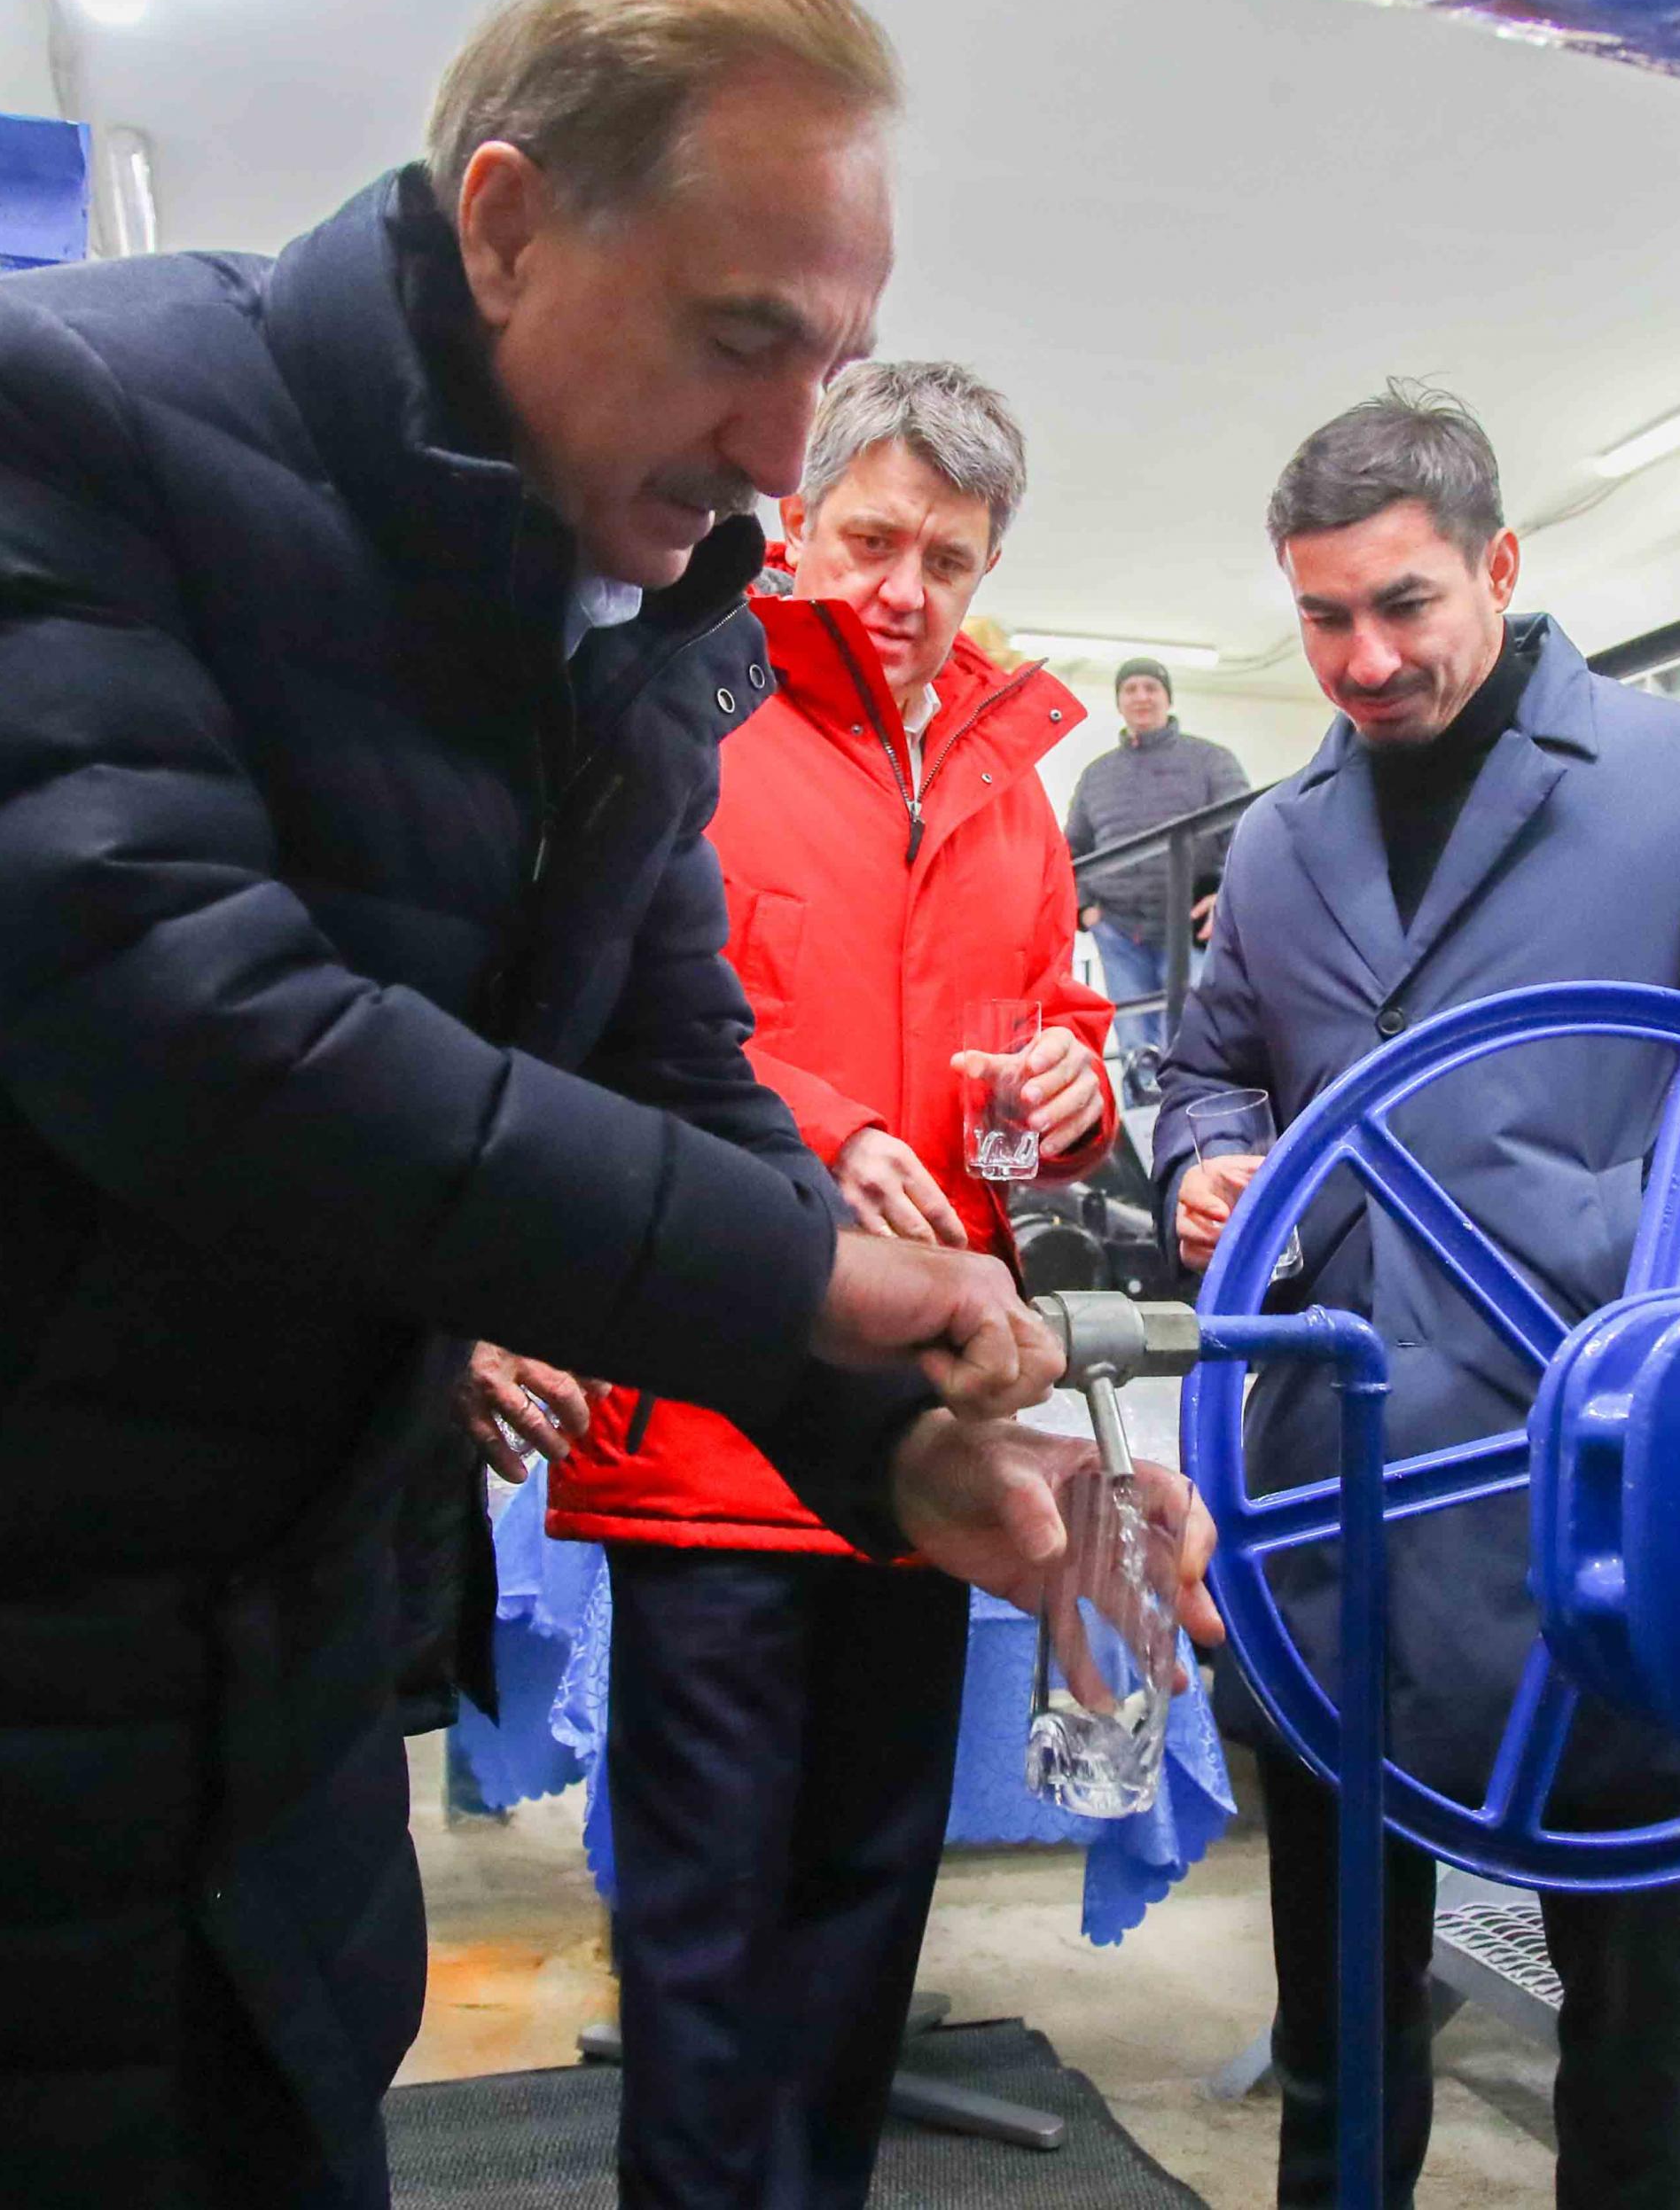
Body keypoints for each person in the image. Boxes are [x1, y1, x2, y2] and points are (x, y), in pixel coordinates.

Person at [0, 0, 1218, 2210]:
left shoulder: (631, 632)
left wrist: (900, 1443)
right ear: (507, 223)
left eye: (827, 360)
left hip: (248, 1717)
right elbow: (195, 1032)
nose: (785, 453)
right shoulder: (64, 416)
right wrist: (825, 1278)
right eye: (737, 336)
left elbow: (677, 1075)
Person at [1157, 384, 1680, 2210]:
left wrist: (1623, 1239)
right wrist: (1200, 1163)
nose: (1362, 658)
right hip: (1335, 1502)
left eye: (1402, 602)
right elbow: (1211, 1070)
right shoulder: (1276, 843)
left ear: (1498, 564)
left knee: (1635, 2013)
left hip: (1601, 1497)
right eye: (1322, 616)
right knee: (1341, 2023)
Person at [539, 358, 1117, 2209]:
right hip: (711, 1430)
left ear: (989, 563)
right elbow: (611, 1018)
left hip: (929, 1435)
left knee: (869, 1895)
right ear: (798, 518)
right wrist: (825, 1125)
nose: (901, 587)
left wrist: (1075, 1083)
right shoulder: (694, 717)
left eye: (947, 559)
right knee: (705, 1926)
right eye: (871, 539)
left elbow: (1059, 1018)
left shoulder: (1017, 791)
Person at [1067, 655, 1249, 1069]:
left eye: (1151, 687)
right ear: (1119, 702)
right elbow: (1073, 847)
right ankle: (1144, 1111)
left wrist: (1226, 895)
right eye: (1130, 689)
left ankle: (1193, 1113)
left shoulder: (1211, 761)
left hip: (1189, 926)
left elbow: (1245, 833)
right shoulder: (1097, 775)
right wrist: (1084, 908)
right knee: (1137, 1049)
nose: (1141, 697)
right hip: (1117, 930)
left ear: (1168, 698)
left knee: (1192, 1042)